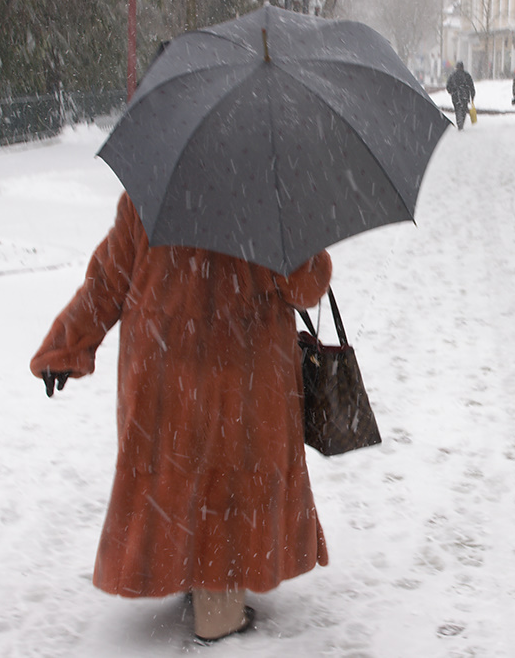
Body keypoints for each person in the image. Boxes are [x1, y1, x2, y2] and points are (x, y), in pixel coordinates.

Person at [29, 193, 332, 643]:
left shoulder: (150, 194)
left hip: (163, 372)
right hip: (243, 377)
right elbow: (305, 288)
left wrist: (64, 347)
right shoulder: (267, 200)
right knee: (231, 485)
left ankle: (192, 574)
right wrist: (310, 249)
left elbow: (107, 282)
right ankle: (219, 616)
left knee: (180, 474)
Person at [446, 61, 475, 131]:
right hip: (464, 96)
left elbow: (448, 86)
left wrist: (451, 91)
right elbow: (471, 87)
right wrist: (472, 96)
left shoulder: (452, 75)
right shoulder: (466, 75)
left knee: (457, 109)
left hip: (455, 96)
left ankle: (459, 123)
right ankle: (461, 122)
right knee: (464, 109)